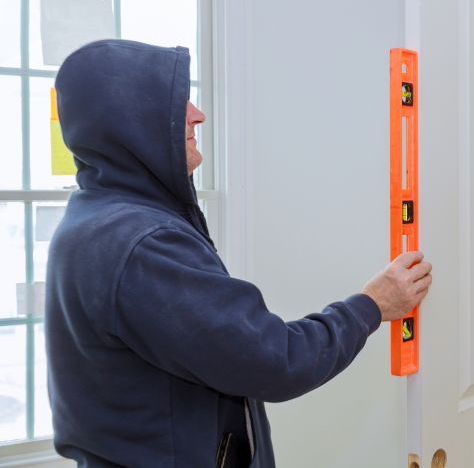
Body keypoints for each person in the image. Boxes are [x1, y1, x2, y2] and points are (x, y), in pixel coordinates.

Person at [46, 39, 432, 467]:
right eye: (176, 103)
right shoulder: (142, 244)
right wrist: (373, 305)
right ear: (129, 122)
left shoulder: (98, 219)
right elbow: (275, 360)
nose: (198, 114)